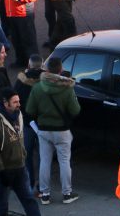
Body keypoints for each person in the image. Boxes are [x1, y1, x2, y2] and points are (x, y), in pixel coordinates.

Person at [0, 88, 55, 216]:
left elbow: (19, 138)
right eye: (15, 102)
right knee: (2, 203)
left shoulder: (18, 115)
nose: (19, 104)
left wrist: (22, 155)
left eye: (19, 101)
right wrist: (0, 170)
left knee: (28, 199)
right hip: (4, 170)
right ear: (6, 103)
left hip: (19, 167)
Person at [27, 57, 81, 205]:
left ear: (47, 69)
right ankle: (67, 193)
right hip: (62, 130)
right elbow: (75, 110)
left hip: (44, 130)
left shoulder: (38, 87)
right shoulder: (66, 88)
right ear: (61, 70)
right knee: (64, 161)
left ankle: (44, 194)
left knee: (45, 161)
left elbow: (30, 110)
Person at [14, 54, 44, 194]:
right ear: (42, 65)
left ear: (28, 64)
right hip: (44, 124)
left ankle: (30, 185)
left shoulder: (21, 81)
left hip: (26, 124)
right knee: (44, 157)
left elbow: (15, 102)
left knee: (28, 156)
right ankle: (43, 187)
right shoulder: (47, 81)